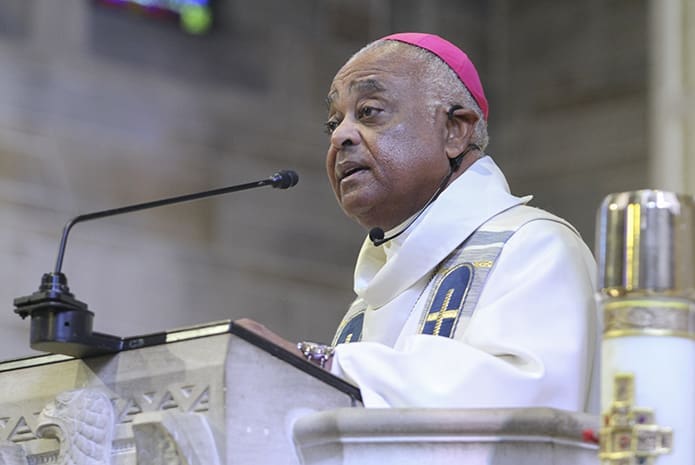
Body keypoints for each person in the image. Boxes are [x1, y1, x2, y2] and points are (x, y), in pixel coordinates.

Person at [242, 32, 598, 413]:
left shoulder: (534, 247)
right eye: (333, 124)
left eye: (368, 112)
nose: (341, 136)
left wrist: (318, 364)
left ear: (455, 130)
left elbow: (524, 406)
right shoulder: (365, 305)